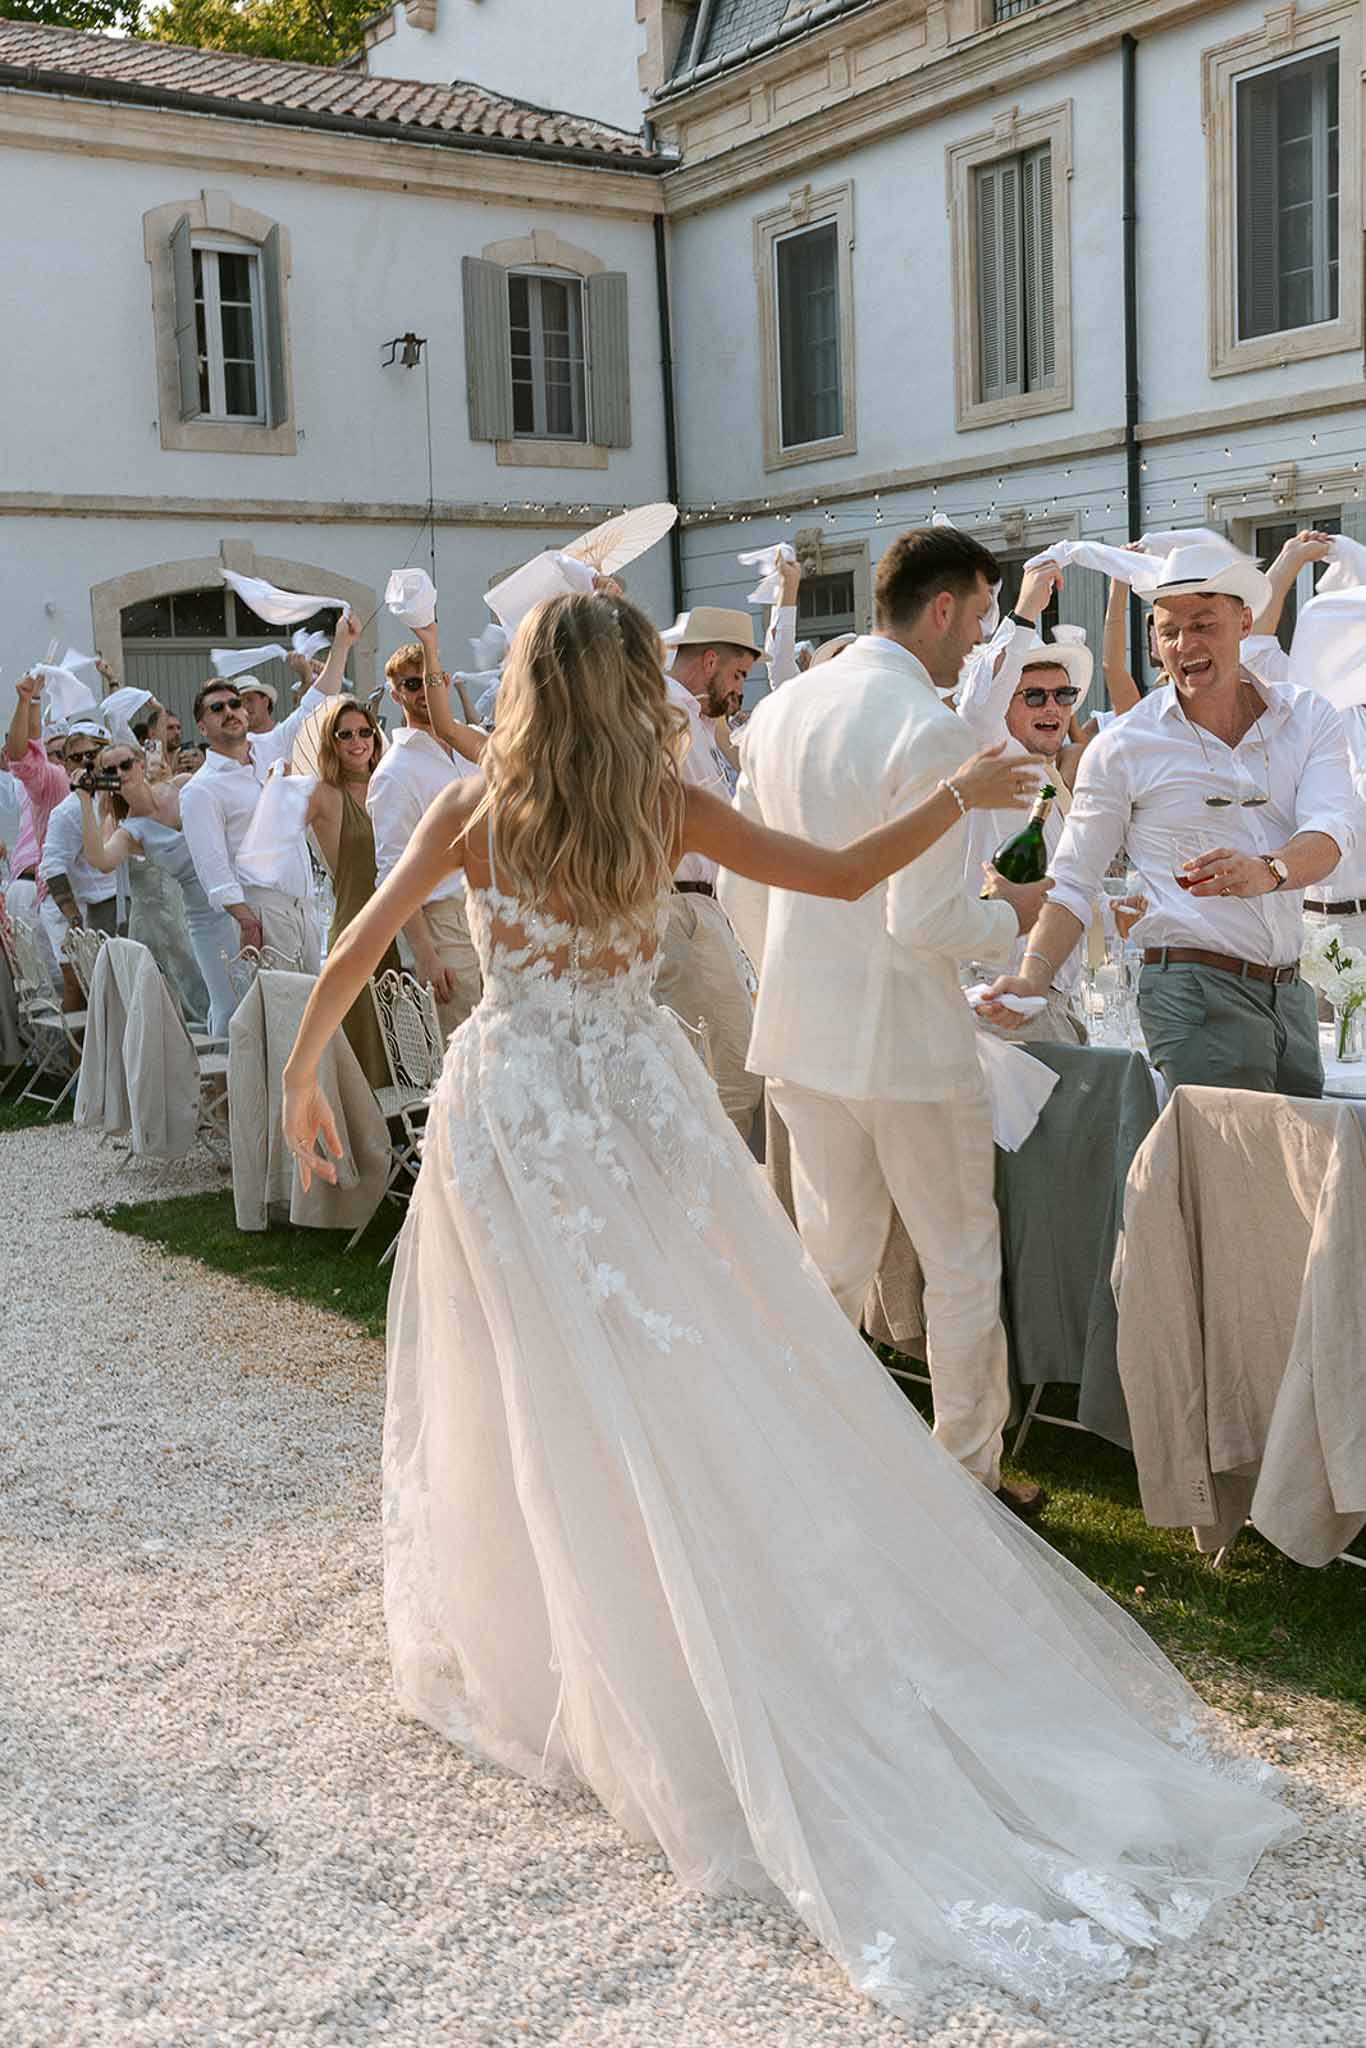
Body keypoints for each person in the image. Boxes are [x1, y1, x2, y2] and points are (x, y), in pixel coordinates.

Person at [280, 589, 1290, 2020]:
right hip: (633, 1106)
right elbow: (836, 875)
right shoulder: (665, 806)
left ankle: (578, 1648)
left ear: (520, 683)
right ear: (633, 681)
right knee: (695, 1362)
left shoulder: (472, 815)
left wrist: (297, 1077)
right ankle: (650, 1627)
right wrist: (954, 788)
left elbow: (353, 947)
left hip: (518, 1121)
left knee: (538, 1375)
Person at [721, 528, 1049, 1507]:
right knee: (956, 1258)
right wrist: (1016, 915)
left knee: (828, 1258)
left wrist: (787, 963)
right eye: (981, 615)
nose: (979, 640)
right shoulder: (930, 727)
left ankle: (805, 1452)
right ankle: (965, 1475)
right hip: (904, 1039)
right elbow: (930, 918)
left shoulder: (778, 712)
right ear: (940, 606)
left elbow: (743, 885)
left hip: (797, 1025)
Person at [980, 542, 1355, 1096]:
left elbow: (1331, 831)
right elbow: (1072, 879)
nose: (1185, 645)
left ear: (1245, 621)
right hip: (1190, 993)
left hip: (1290, 993)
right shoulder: (1125, 745)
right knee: (1230, 1167)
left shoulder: (1308, 715)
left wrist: (1268, 870)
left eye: (1203, 624)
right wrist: (1033, 978)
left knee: (1302, 1167)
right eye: (1168, 631)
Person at [653, 606, 767, 1141]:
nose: (739, 688)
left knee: (727, 1075)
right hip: (679, 903)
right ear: (711, 659)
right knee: (728, 1076)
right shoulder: (666, 715)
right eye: (739, 675)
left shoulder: (691, 721)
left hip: (699, 902)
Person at [179, 634, 343, 971]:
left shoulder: (269, 748)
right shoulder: (200, 790)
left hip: (305, 905)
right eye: (216, 708)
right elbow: (213, 867)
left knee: (316, 1013)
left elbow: (315, 703)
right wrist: (247, 921)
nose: (229, 712)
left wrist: (342, 642)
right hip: (263, 911)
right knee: (283, 1016)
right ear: (202, 725)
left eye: (234, 704)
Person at [366, 623, 483, 1039]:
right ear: (395, 695)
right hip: (443, 922)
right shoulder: (394, 772)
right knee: (465, 1050)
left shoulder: (472, 747)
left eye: (431, 679)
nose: (422, 691)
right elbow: (393, 874)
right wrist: (425, 955)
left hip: (492, 913)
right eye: (411, 684)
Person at [75, 742, 228, 1031]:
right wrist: (85, 799)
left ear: (141, 764)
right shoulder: (129, 829)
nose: (120, 773)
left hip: (220, 899)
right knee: (201, 1003)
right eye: (110, 770)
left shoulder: (182, 787)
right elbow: (101, 860)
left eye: (126, 765)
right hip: (180, 917)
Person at [300, 694, 399, 1084]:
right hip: (357, 929)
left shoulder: (391, 782)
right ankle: (367, 1136)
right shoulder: (322, 795)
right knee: (368, 1044)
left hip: (405, 927)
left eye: (365, 732)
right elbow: (272, 834)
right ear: (332, 743)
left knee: (408, 1036)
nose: (358, 742)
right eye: (346, 735)